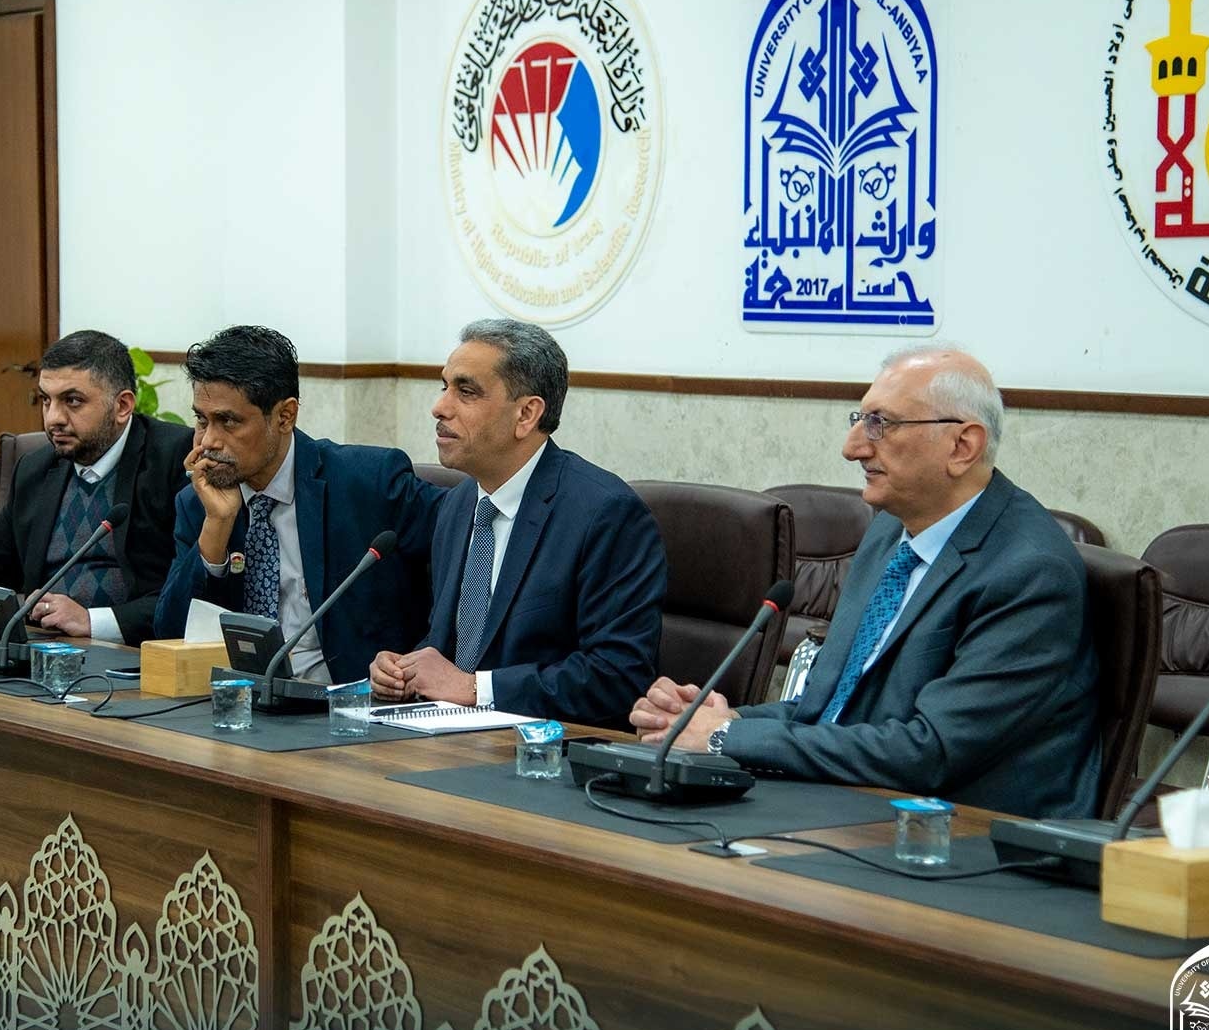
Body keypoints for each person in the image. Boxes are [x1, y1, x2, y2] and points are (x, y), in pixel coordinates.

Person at [629, 345, 1101, 819]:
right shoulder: (889, 532)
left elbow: (930, 752)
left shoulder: (1029, 572)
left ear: (962, 446)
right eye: (860, 420)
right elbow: (826, 710)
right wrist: (715, 720)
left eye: (881, 424)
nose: (852, 447)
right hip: (852, 802)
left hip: (961, 833)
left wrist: (725, 736)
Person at [371, 320, 666, 726]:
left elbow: (618, 676)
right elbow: (458, 646)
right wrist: (406, 670)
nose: (440, 407)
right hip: (447, 738)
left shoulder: (605, 514)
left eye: (466, 391)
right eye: (444, 387)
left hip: (546, 750)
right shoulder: (457, 505)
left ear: (526, 414)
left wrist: (476, 689)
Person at [153, 325, 444, 684]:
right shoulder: (201, 503)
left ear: (285, 416)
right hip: (243, 703)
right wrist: (217, 527)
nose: (208, 441)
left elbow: (472, 541)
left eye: (228, 421)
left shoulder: (369, 482)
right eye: (202, 420)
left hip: (353, 701)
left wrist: (428, 652)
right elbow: (170, 635)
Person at [0, 329, 192, 644]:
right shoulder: (35, 468)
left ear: (122, 406)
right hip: (44, 646)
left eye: (72, 401)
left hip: (132, 654)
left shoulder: (174, 459)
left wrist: (92, 621)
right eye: (46, 400)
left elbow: (190, 594)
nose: (53, 419)